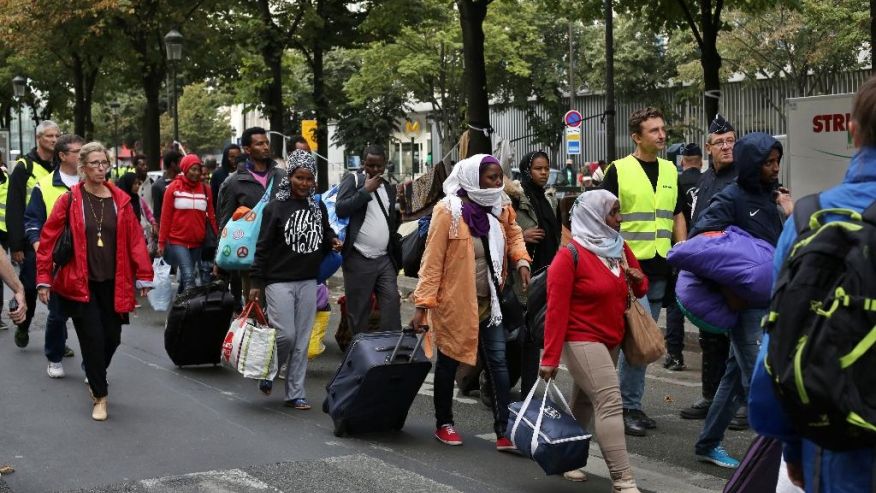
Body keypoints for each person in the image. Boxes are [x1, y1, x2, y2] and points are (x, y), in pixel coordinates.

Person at [750, 74, 876, 493]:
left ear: (853, 131)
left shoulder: (812, 220)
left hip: (837, 445)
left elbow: (780, 349)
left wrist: (791, 447)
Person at [411, 154, 531, 450]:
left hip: (491, 302)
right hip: (455, 303)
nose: (497, 182)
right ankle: (444, 423)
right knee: (449, 363)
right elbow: (432, 261)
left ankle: (504, 431)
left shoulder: (499, 204)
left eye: (499, 177)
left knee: (498, 364)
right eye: (490, 178)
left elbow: (513, 234)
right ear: (472, 179)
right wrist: (423, 304)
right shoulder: (448, 211)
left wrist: (522, 260)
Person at [688, 132, 789, 468]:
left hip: (772, 299)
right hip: (746, 306)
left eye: (777, 161)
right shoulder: (730, 197)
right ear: (751, 164)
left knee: (734, 380)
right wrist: (728, 287)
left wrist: (790, 213)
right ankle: (779, 458)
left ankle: (707, 443)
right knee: (760, 380)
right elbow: (700, 241)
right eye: (767, 163)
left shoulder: (775, 196)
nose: (775, 168)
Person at [35, 141, 153, 421]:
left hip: (115, 282)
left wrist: (145, 275)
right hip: (80, 282)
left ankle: (94, 371)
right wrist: (43, 278)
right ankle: (100, 396)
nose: (101, 169)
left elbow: (135, 239)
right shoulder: (71, 199)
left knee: (112, 336)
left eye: (105, 163)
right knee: (92, 337)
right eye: (95, 164)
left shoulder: (120, 199)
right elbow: (49, 238)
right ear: (83, 168)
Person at [539, 190, 648, 491]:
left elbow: (640, 288)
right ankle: (624, 480)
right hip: (581, 338)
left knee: (585, 400)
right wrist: (549, 359)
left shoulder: (618, 247)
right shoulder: (569, 256)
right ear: (595, 216)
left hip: (612, 338)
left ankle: (567, 457)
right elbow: (556, 312)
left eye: (619, 211)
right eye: (614, 213)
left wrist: (638, 278)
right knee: (610, 401)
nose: (620, 219)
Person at [601, 107, 687, 437]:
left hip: (660, 268)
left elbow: (677, 214)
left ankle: (626, 404)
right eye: (654, 130)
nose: (662, 134)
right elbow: (601, 217)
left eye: (663, 129)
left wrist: (683, 253)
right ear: (637, 137)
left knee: (640, 338)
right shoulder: (618, 170)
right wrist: (614, 259)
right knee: (635, 339)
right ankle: (625, 406)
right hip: (626, 270)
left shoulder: (669, 169)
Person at [248, 150, 341, 406]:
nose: (304, 183)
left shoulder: (317, 205)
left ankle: (295, 394)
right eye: (299, 177)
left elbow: (325, 232)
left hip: (309, 280)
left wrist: (332, 240)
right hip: (278, 281)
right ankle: (269, 370)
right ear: (290, 177)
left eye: (309, 179)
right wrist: (256, 283)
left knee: (302, 341)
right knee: (286, 335)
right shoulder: (275, 208)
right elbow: (263, 247)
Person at [679, 116, 739, 424]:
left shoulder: (745, 176)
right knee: (710, 336)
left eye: (731, 141)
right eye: (721, 142)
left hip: (734, 268)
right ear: (708, 148)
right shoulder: (703, 180)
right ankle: (710, 396)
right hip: (706, 267)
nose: (727, 147)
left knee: (736, 337)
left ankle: (738, 404)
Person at [24, 134, 84, 378]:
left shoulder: (93, 181)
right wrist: (41, 250)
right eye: (78, 152)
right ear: (62, 156)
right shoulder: (45, 185)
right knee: (58, 314)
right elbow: (32, 222)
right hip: (60, 260)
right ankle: (54, 356)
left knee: (90, 318)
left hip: (89, 260)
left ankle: (91, 365)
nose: (83, 156)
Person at [508, 150, 561, 396]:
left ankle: (527, 389)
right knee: (519, 336)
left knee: (532, 335)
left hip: (546, 274)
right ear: (527, 170)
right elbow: (503, 230)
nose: (543, 173)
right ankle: (493, 379)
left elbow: (557, 234)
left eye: (546, 169)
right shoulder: (515, 198)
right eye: (538, 169)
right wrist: (523, 235)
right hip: (522, 276)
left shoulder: (550, 199)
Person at [335, 145, 403, 334]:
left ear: (385, 165)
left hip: (384, 259)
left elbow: (390, 219)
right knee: (358, 311)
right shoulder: (353, 180)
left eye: (378, 166)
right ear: (363, 163)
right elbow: (340, 208)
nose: (374, 170)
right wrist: (365, 191)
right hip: (358, 257)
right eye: (370, 165)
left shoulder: (388, 188)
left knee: (391, 303)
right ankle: (359, 354)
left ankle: (391, 351)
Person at [6, 120, 60, 348]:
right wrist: (17, 245)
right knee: (29, 287)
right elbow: (14, 206)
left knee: (59, 289)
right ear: (39, 139)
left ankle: (58, 339)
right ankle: (24, 325)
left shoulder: (61, 165)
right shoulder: (24, 167)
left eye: (57, 136)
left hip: (58, 237)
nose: (55, 140)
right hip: (31, 239)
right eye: (50, 136)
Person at [216, 127, 285, 303]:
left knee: (280, 308)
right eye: (259, 144)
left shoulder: (282, 176)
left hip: (281, 252)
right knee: (255, 309)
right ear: (247, 149)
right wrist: (220, 258)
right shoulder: (233, 182)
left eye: (266, 143)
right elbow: (225, 222)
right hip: (251, 256)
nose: (265, 147)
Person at [663, 143, 704, 372]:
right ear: (700, 160)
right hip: (704, 248)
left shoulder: (677, 182)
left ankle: (675, 355)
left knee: (676, 303)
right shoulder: (708, 181)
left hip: (680, 246)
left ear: (683, 161)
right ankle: (709, 351)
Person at [158, 154, 217, 293]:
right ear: (185, 169)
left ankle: (178, 311)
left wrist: (219, 237)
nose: (196, 173)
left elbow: (212, 216)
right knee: (190, 276)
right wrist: (161, 242)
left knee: (185, 280)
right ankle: (189, 311)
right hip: (178, 241)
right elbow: (165, 217)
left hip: (198, 242)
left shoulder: (205, 189)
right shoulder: (173, 188)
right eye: (193, 169)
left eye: (198, 169)